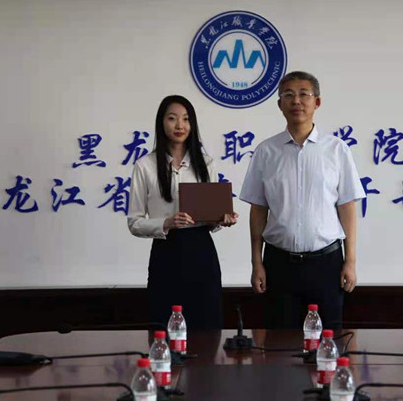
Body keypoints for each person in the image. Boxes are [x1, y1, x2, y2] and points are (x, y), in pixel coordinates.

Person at [239, 71, 364, 329]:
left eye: (303, 94)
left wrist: (350, 261)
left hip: (326, 264)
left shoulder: (336, 150)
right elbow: (258, 210)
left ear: (317, 102)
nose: (296, 101)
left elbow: (347, 208)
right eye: (288, 95)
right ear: (279, 104)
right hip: (279, 264)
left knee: (328, 342)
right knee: (280, 343)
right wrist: (256, 263)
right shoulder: (266, 151)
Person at [128, 95, 237, 330]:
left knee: (206, 325)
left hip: (201, 251)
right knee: (164, 323)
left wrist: (221, 219)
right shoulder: (145, 166)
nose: (180, 125)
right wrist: (166, 223)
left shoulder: (206, 163)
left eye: (186, 119)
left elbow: (211, 217)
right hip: (166, 252)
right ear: (161, 122)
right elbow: (134, 222)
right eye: (172, 118)